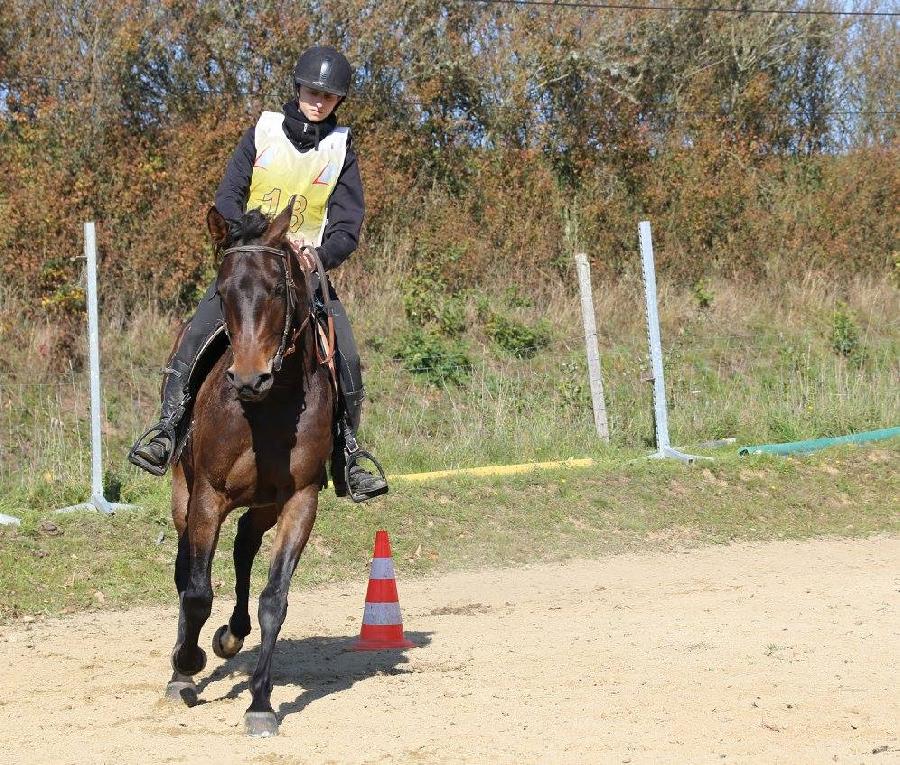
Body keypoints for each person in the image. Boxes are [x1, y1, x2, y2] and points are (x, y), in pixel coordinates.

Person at [128, 45, 388, 502]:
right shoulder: (262, 132)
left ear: (338, 101)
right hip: (251, 262)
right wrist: (246, 238)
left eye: (329, 96)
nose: (319, 100)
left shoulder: (341, 149)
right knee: (197, 334)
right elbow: (228, 195)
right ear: (298, 88)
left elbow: (348, 225)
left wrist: (320, 256)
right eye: (313, 91)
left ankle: (347, 454)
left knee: (345, 354)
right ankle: (167, 428)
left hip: (304, 272)